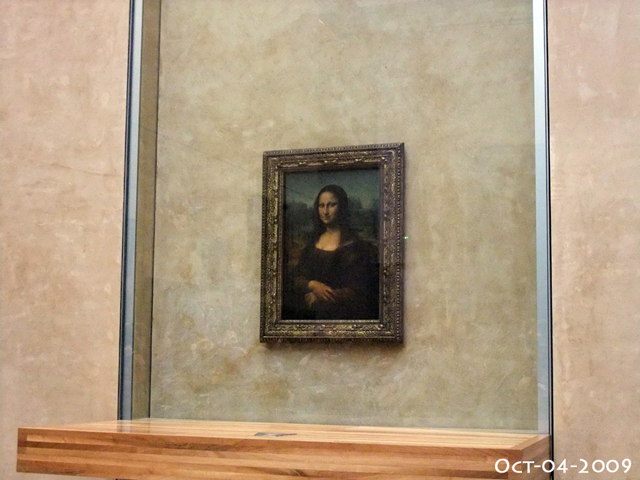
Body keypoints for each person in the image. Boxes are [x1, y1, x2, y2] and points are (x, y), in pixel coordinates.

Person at [287, 184, 378, 320]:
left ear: (342, 207)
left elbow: (358, 290)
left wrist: (322, 296)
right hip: (308, 316)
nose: (325, 211)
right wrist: (312, 285)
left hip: (341, 317)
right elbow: (296, 277)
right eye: (321, 206)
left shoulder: (354, 246)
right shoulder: (312, 243)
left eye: (331, 205)